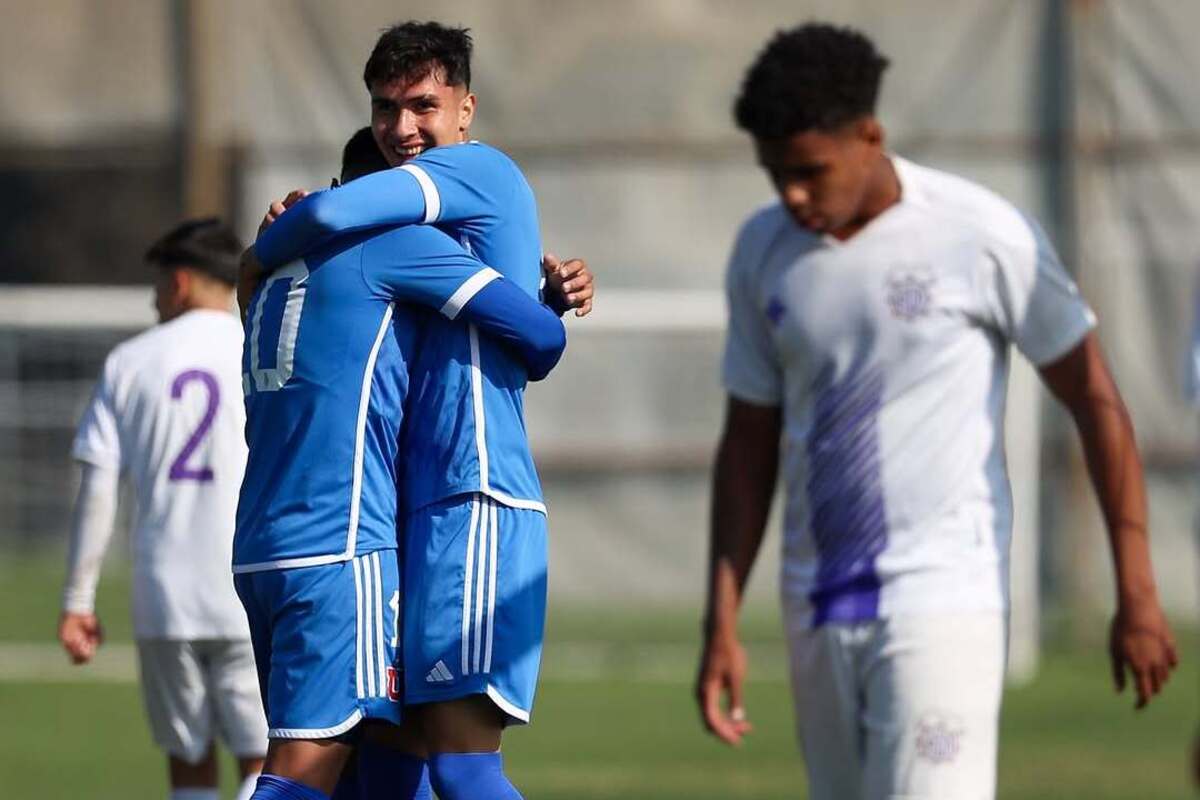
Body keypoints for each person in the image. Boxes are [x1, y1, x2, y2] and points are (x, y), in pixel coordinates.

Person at [695, 22, 1179, 800]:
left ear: (870, 135)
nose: (790, 194)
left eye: (809, 172)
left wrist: (1139, 590)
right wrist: (720, 619)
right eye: (774, 173)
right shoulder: (762, 250)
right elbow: (747, 445)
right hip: (816, 602)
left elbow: (1094, 399)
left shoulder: (980, 233)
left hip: (942, 597)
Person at [249, 22, 593, 800]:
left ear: (466, 109)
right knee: (386, 753)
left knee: (460, 762)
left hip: (470, 492)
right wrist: (542, 298)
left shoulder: (474, 171)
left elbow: (536, 348)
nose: (402, 128)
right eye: (384, 107)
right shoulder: (407, 257)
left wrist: (266, 247)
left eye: (423, 106)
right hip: (395, 516)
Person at [59, 219, 268, 800]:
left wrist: (78, 602)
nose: (154, 298)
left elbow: (98, 488)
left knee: (188, 757)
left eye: (157, 285)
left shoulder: (130, 362)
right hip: (248, 587)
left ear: (178, 282)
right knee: (264, 757)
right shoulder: (258, 350)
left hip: (165, 595)